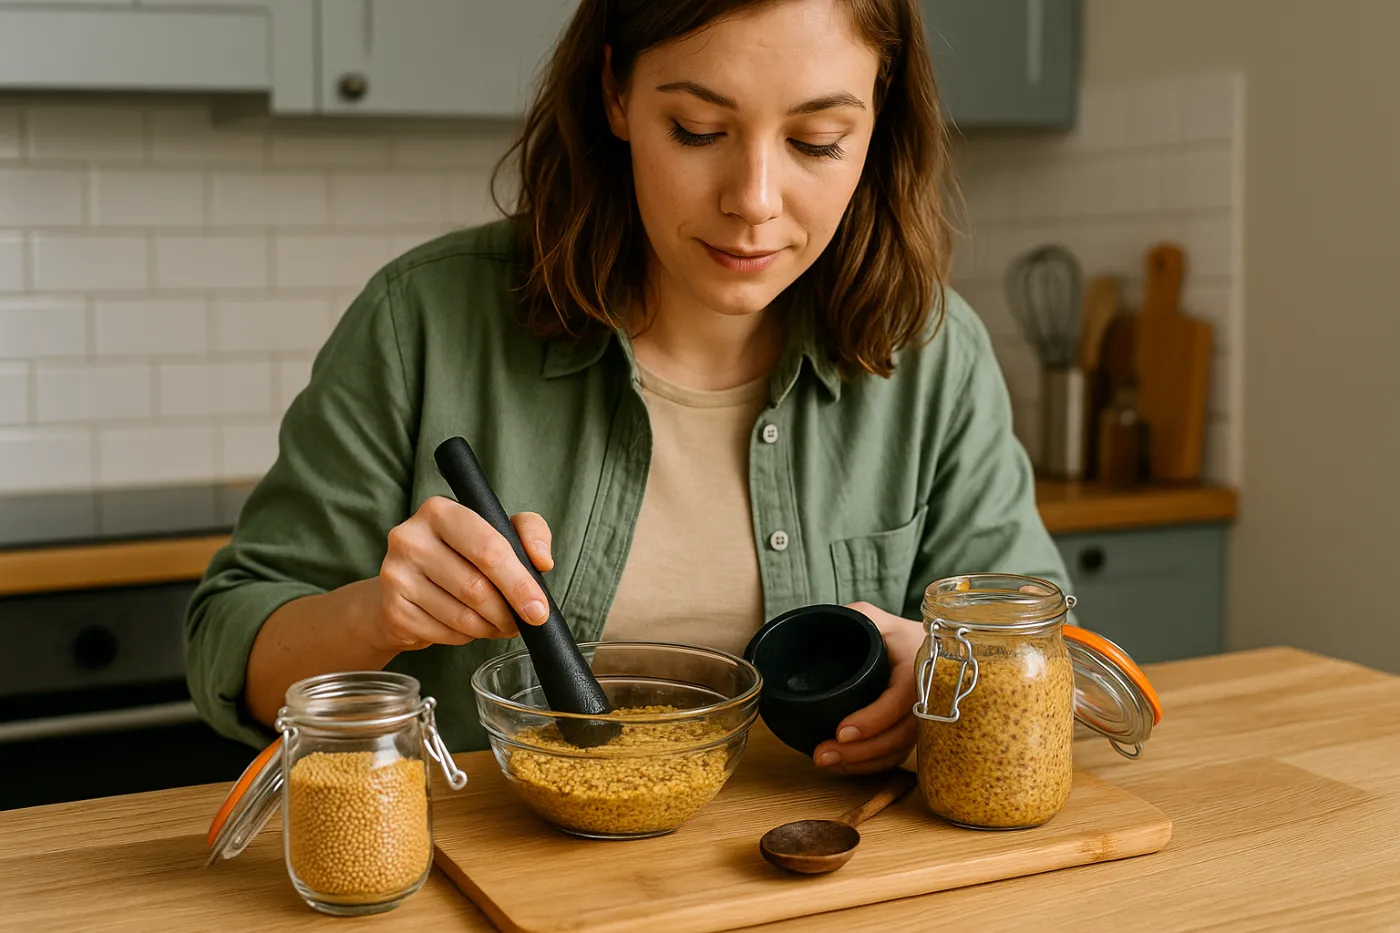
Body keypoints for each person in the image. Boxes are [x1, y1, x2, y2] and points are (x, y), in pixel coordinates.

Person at [184, 0, 1070, 777]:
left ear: (878, 116)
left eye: (816, 142)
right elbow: (235, 649)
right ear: (616, 93)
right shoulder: (419, 321)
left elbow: (1051, 663)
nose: (754, 199)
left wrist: (952, 666)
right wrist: (379, 615)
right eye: (696, 129)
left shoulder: (933, 350)